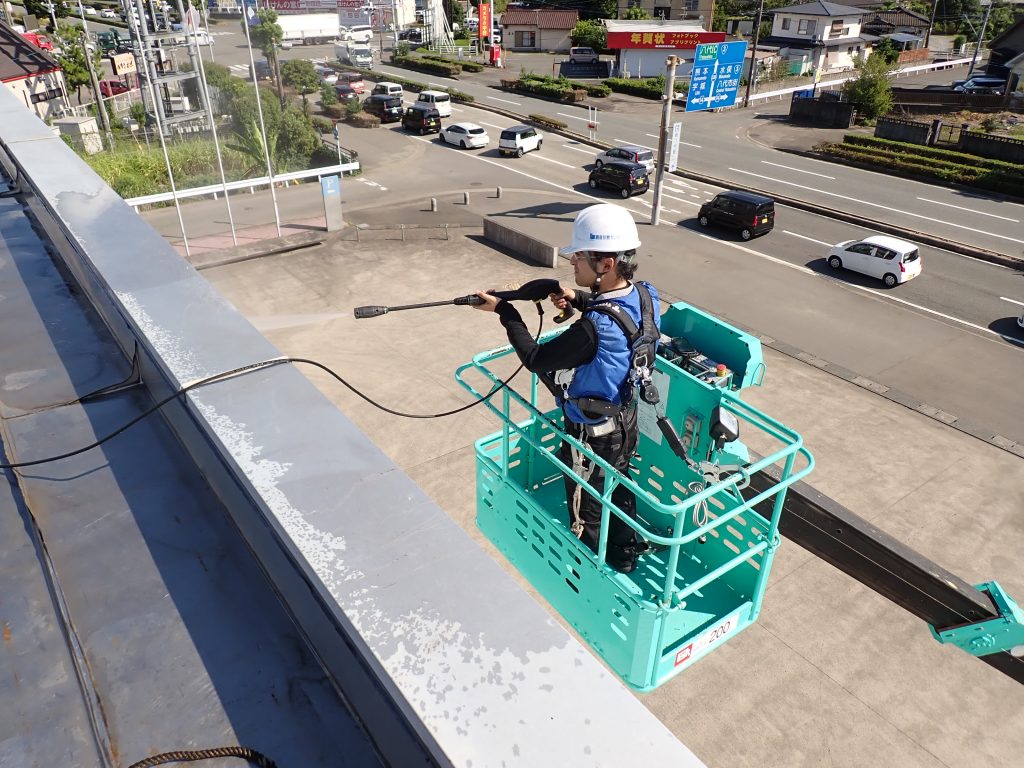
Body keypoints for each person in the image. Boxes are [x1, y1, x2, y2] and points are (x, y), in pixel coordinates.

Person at [472, 203, 660, 573]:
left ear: (606, 263)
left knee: (585, 506)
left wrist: (505, 313)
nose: (572, 261)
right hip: (625, 421)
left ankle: (586, 574)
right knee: (619, 482)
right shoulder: (646, 295)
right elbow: (617, 310)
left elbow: (536, 358)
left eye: (580, 256)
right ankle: (624, 554)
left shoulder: (591, 330)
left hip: (591, 437)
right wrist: (577, 297)